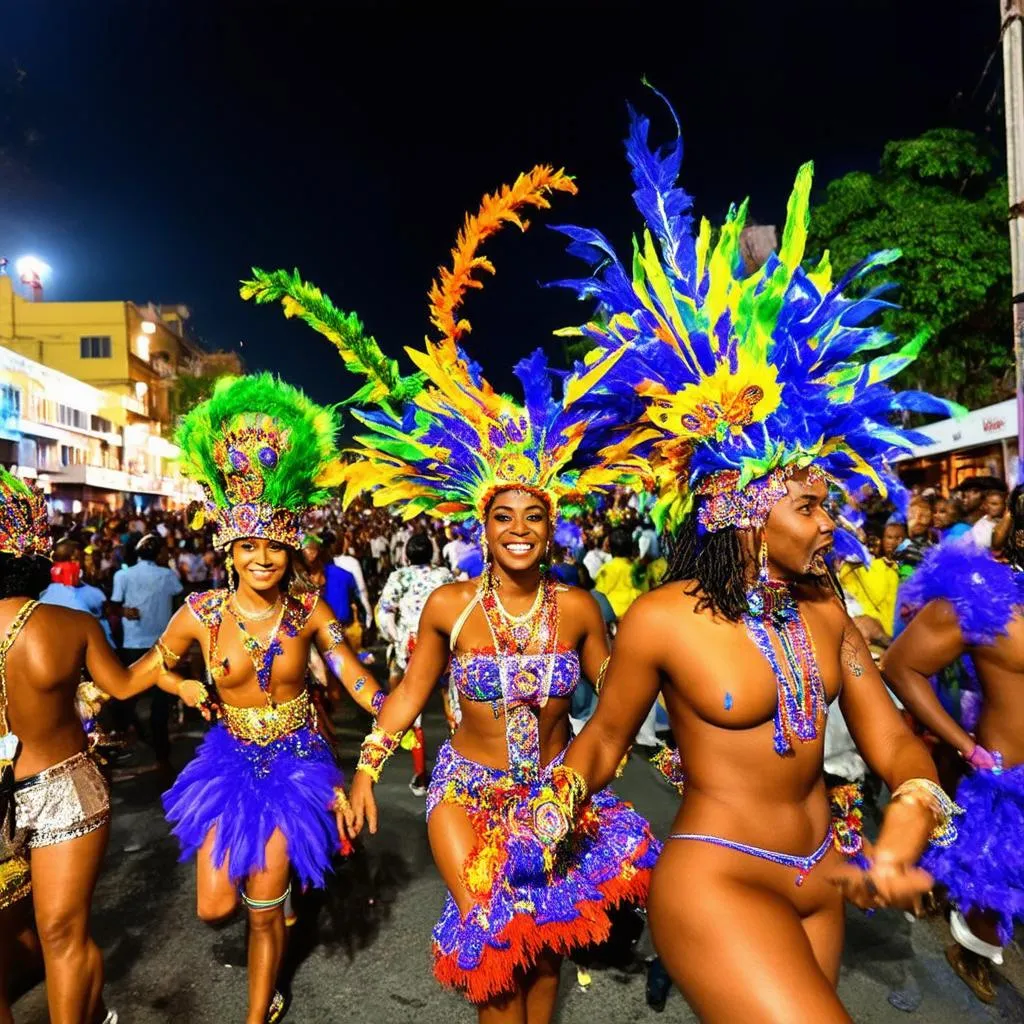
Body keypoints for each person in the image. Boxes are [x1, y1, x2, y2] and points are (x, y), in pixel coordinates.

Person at [547, 98, 960, 1021]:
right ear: (742, 510)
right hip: (720, 880)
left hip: (825, 877)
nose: (832, 525)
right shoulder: (662, 616)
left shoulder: (826, 609)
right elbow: (609, 735)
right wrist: (562, 792)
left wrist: (911, 809)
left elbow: (891, 736)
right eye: (811, 505)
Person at [246, 169, 657, 1024]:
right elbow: (408, 694)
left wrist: (688, 748)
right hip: (466, 796)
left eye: (532, 516)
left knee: (544, 954)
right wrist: (368, 764)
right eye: (502, 514)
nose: (517, 527)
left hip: (555, 796)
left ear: (552, 526)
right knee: (491, 938)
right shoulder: (449, 605)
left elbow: (619, 702)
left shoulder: (578, 609)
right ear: (481, 523)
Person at [152, 374, 387, 1024]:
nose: (262, 559)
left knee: (261, 912)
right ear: (229, 551)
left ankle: (260, 1008)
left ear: (290, 550)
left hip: (296, 760)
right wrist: (183, 684)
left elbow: (357, 678)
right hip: (228, 761)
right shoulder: (199, 611)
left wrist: (386, 719)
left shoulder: (310, 610)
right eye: (248, 547)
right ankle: (274, 901)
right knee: (213, 907)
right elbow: (156, 669)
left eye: (274, 548)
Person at [0, 468, 199, 1024]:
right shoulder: (67, 623)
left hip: (10, 792)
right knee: (62, 935)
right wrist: (178, 639)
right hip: (65, 785)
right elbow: (125, 685)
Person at [882, 503, 1024, 1004]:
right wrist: (966, 745)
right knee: (992, 886)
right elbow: (901, 667)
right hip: (1008, 780)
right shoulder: (982, 601)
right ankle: (968, 952)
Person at [375, 532, 455, 795]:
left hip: (411, 650)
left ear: (406, 555)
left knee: (414, 713)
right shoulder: (443, 575)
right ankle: (458, 771)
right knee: (452, 705)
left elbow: (385, 612)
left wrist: (395, 638)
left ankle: (421, 776)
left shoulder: (398, 577)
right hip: (443, 648)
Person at [109, 533, 184, 778]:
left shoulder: (123, 575)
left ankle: (119, 746)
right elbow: (178, 596)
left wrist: (123, 611)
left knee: (127, 695)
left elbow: (114, 604)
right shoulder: (168, 575)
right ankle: (161, 754)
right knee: (160, 703)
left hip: (133, 641)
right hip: (162, 645)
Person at [593, 527, 643, 620]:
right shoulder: (638, 569)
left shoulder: (606, 569)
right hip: (637, 613)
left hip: (617, 617)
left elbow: (599, 592)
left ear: (611, 548)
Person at [970, 480, 1011, 553]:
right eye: (991, 504)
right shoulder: (980, 527)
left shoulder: (1010, 522)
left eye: (995, 504)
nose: (990, 507)